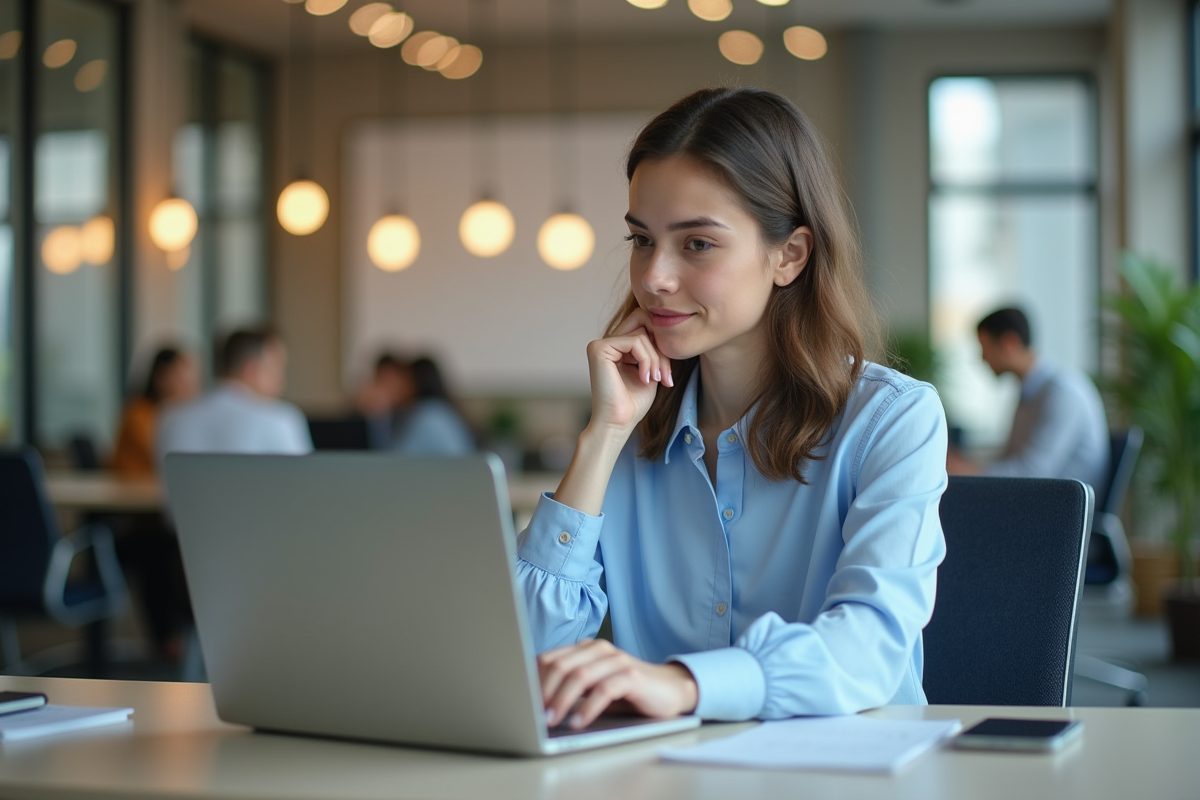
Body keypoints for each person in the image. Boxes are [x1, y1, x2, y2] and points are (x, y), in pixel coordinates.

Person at [516, 87, 948, 730]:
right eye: (641, 240)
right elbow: (528, 651)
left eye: (696, 245)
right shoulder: (634, 422)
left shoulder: (891, 421)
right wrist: (604, 437)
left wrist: (686, 685)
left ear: (789, 256)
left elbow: (870, 645)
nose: (655, 277)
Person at [946, 307, 1109, 491]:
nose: (983, 358)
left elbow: (1033, 473)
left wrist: (968, 470)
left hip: (1060, 512)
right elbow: (1011, 458)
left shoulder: (1063, 393)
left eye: (985, 348)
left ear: (1010, 343)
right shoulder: (1031, 392)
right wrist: (963, 464)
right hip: (1040, 503)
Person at [157, 326, 312, 465]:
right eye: (276, 369)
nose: (281, 382)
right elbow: (306, 485)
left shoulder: (170, 418)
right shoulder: (280, 419)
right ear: (251, 370)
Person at [111, 346, 200, 475]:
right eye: (181, 377)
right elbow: (161, 453)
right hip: (132, 490)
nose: (189, 386)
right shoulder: (139, 414)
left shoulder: (174, 416)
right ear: (161, 376)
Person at [390, 356, 476, 455]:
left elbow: (394, 459)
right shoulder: (439, 410)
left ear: (416, 383)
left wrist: (377, 417)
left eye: (404, 381)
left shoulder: (426, 416)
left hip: (448, 470)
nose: (398, 388)